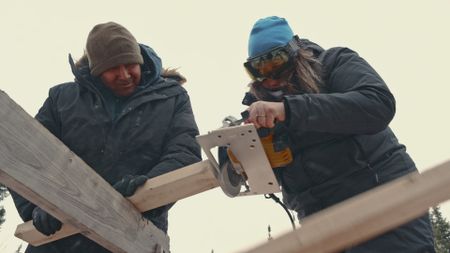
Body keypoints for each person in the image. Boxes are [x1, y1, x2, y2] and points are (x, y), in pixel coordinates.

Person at [240, 16, 435, 252]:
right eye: (259, 68)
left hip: (384, 205)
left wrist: (289, 110)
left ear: (294, 52)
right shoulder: (261, 109)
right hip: (322, 226)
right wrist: (237, 154)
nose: (269, 76)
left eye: (275, 61)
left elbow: (377, 104)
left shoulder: (334, 63)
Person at [10, 21, 201, 253]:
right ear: (96, 70)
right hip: (60, 239)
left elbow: (185, 152)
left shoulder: (172, 99)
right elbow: (22, 153)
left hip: (136, 236)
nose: (124, 75)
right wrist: (36, 205)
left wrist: (145, 191)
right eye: (113, 68)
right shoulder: (62, 99)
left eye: (130, 65)